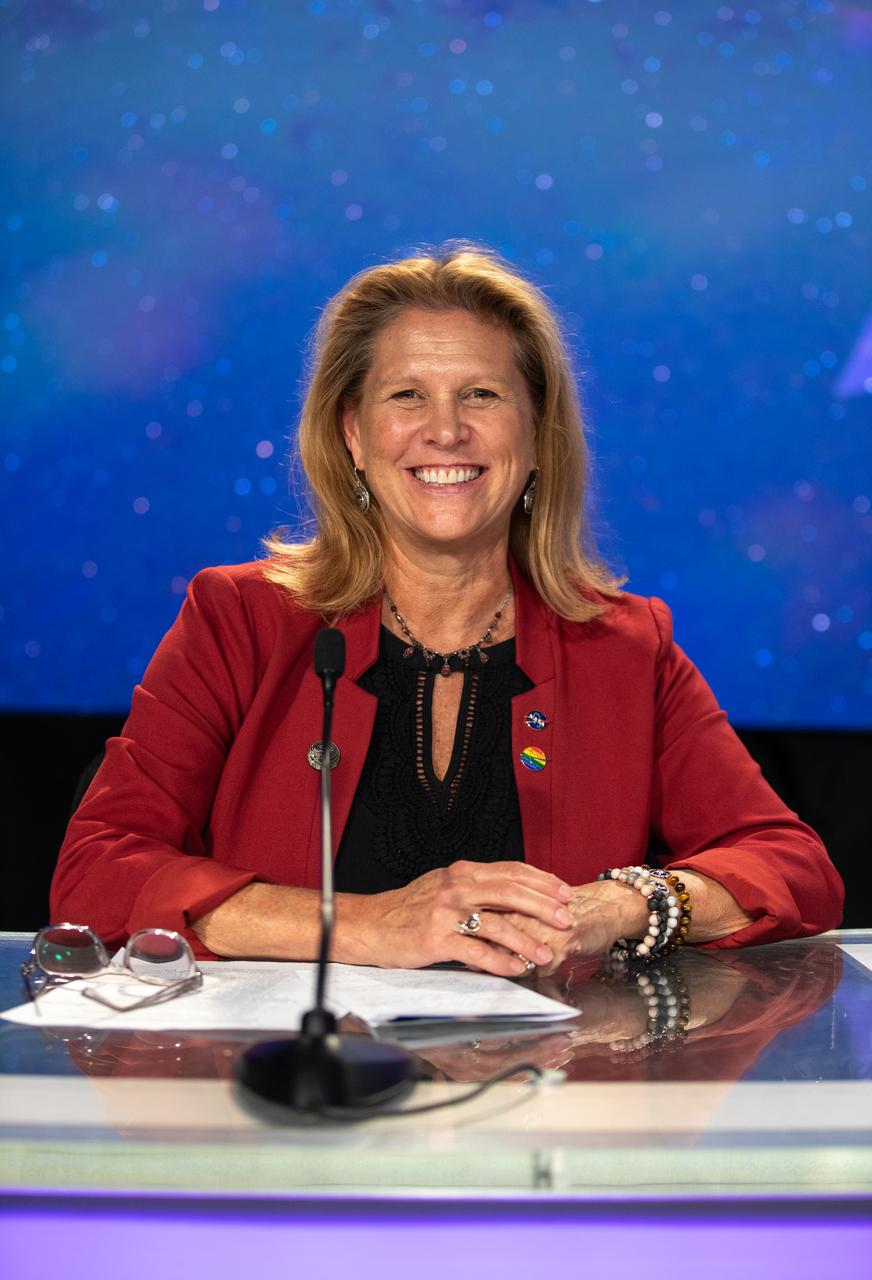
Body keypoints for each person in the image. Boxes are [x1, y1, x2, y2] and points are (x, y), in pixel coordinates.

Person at [51, 244, 844, 975]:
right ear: (354, 436)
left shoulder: (626, 648)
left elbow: (790, 867)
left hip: (538, 1101)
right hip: (296, 1099)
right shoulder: (240, 621)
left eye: (481, 395)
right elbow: (96, 870)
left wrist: (620, 906)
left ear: (537, 438)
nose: (445, 430)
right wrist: (360, 926)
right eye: (407, 396)